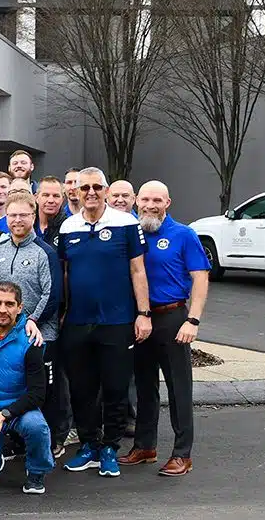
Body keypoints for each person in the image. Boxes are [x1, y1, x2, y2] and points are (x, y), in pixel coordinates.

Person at [58, 167, 150, 478]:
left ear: (107, 191)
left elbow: (138, 270)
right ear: (76, 192)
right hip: (78, 322)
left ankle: (110, 446)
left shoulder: (126, 223)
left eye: (98, 187)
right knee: (82, 388)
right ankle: (88, 444)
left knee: (115, 386)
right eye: (85, 188)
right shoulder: (68, 227)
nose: (91, 193)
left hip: (117, 320)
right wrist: (64, 313)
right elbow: (67, 274)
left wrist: (144, 313)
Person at [120, 181, 209, 477]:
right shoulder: (131, 233)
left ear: (167, 202)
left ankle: (183, 454)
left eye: (156, 200)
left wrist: (192, 320)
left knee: (179, 388)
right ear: (136, 202)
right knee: (145, 386)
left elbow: (200, 278)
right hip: (140, 319)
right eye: (144, 199)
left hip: (172, 318)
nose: (149, 205)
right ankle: (145, 446)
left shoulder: (183, 235)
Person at [0, 192, 65, 454]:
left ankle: (52, 442)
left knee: (46, 390)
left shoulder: (46, 252)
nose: (17, 220)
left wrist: (32, 319)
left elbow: (52, 294)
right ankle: (16, 441)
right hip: (7, 336)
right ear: (5, 218)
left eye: (23, 215)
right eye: (13, 215)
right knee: (16, 387)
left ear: (34, 216)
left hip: (41, 333)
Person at [0, 282, 53, 494]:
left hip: (17, 408)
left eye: (9, 304)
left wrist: (3, 415)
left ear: (20, 307)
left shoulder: (31, 340)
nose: (2, 309)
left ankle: (36, 473)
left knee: (36, 427)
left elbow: (37, 395)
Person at [35, 176, 67, 245]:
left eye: (56, 196)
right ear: (36, 198)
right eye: (46, 195)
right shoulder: (27, 225)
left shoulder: (68, 227)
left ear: (63, 199)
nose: (51, 200)